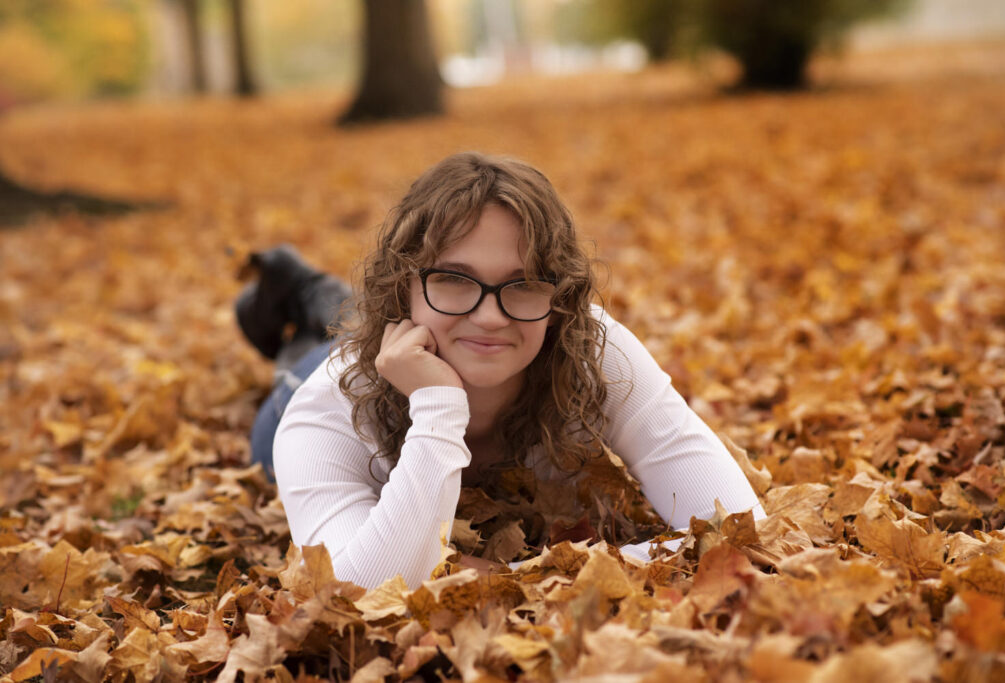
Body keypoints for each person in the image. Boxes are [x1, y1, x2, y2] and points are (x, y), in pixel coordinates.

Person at [238, 152, 763, 589]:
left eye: (524, 283)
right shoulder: (330, 403)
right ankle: (306, 291)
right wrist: (438, 409)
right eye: (453, 278)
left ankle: (316, 290)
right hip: (315, 379)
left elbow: (738, 528)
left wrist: (514, 577)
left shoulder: (593, 351)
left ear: (559, 298)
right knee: (312, 349)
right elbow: (358, 591)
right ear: (404, 287)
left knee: (438, 324)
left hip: (428, 331)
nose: (491, 315)